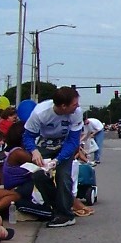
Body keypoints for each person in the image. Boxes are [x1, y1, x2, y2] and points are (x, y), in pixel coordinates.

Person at [21, 86, 84, 228]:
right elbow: (28, 136)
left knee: (63, 176)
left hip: (64, 145)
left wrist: (58, 160)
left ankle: (66, 215)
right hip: (44, 145)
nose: (78, 106)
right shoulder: (40, 113)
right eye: (74, 104)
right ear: (63, 106)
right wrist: (34, 151)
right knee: (38, 176)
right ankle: (56, 208)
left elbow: (73, 140)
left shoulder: (77, 113)